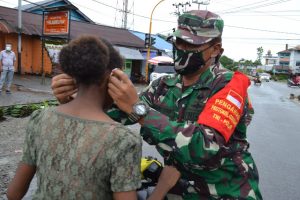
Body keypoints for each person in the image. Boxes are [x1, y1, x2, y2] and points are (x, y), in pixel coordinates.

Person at [51, 10, 262, 200]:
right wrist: (72, 101)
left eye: (191, 45)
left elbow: (205, 147)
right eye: (178, 42)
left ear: (215, 49)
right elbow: (111, 116)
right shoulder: (163, 85)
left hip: (227, 192)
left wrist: (138, 110)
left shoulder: (229, 85)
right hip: (178, 189)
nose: (182, 49)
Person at [7, 35, 180, 200]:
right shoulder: (123, 140)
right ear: (111, 79)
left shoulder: (40, 118)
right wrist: (162, 188)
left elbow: (14, 194)